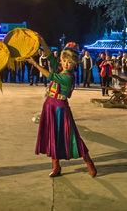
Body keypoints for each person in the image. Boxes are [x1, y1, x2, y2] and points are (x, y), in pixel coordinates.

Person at [28, 36, 96, 178]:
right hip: (49, 106)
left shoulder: (68, 77)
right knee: (51, 136)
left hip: (60, 108)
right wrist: (42, 41)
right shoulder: (60, 69)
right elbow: (50, 57)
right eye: (64, 60)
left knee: (73, 136)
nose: (66, 64)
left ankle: (89, 162)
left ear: (75, 63)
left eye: (69, 62)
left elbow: (50, 76)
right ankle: (56, 166)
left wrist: (35, 64)